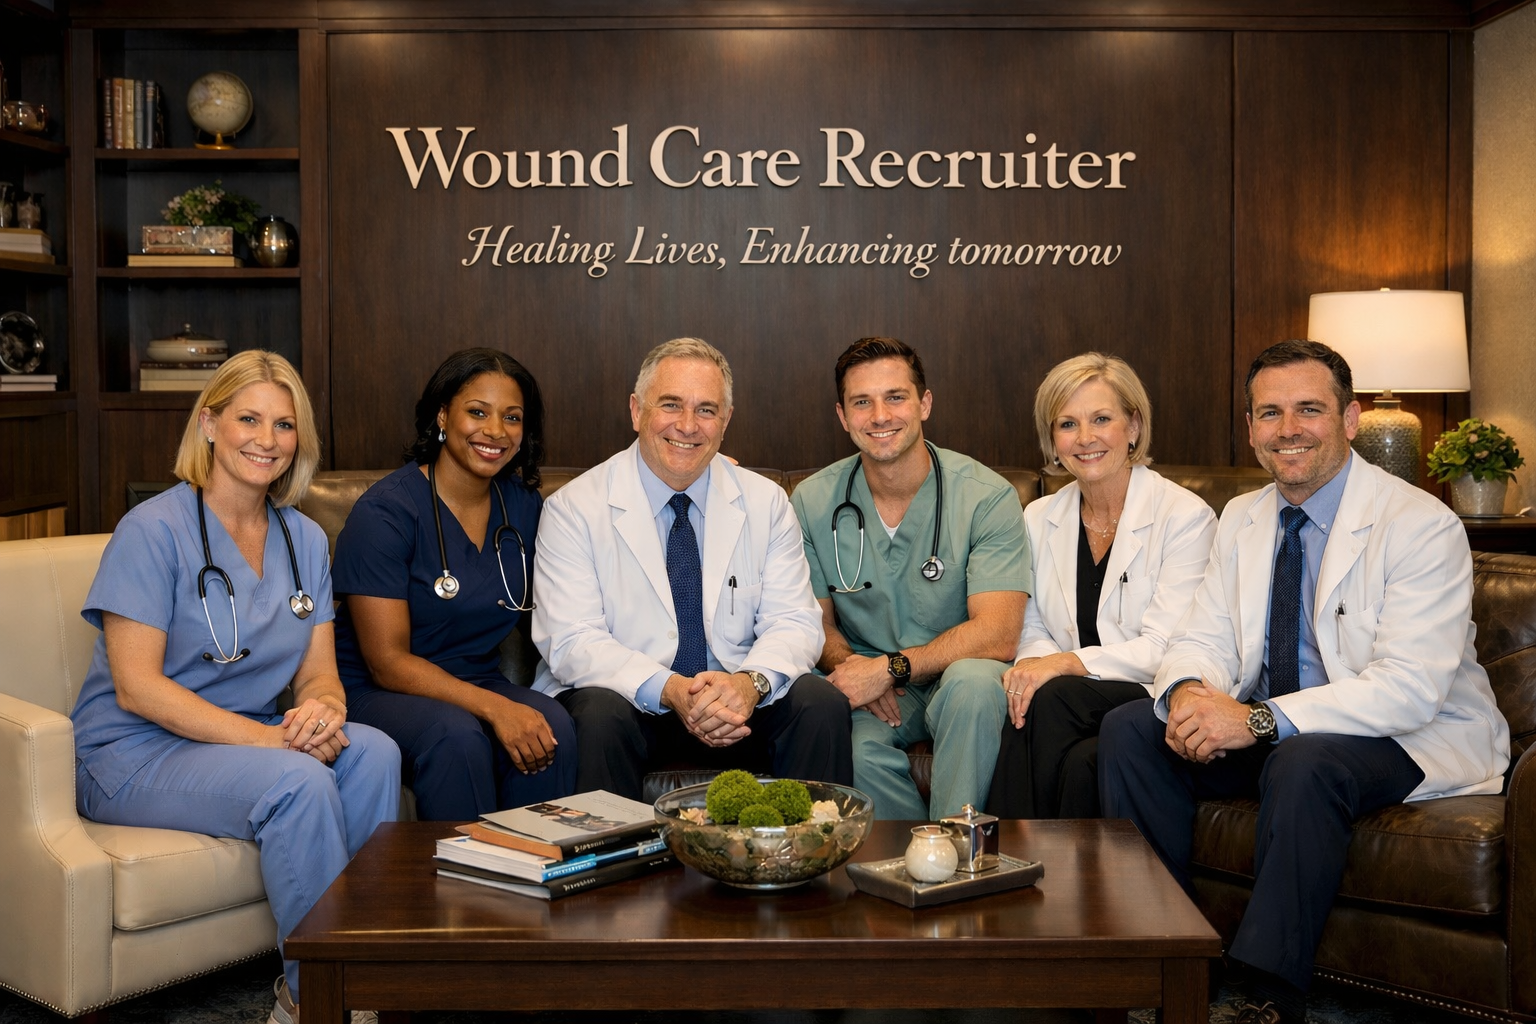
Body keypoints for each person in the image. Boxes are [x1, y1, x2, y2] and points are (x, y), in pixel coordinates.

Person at [1098, 340, 1510, 1024]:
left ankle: (1267, 993)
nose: (1288, 428)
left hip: (1411, 734)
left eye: (1309, 410)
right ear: (1252, 428)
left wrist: (1255, 720)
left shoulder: (1419, 525)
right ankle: (1160, 965)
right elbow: (1204, 635)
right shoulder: (1243, 516)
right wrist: (1193, 693)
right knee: (1131, 730)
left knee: (1305, 758)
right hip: (1284, 725)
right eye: (1270, 413)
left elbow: (1410, 688)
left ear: (1349, 420)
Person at [67, 350, 401, 1024]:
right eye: (248, 418)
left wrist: (322, 713)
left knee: (373, 752)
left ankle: (368, 970)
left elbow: (317, 672)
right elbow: (137, 689)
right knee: (298, 782)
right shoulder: (152, 531)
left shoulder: (304, 537)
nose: (266, 440)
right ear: (210, 424)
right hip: (129, 754)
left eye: (284, 425)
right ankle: (315, 998)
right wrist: (276, 741)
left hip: (245, 745)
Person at [531, 337, 852, 798]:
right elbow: (571, 640)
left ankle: (804, 865)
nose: (687, 425)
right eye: (670, 405)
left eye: (706, 409)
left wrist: (750, 683)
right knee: (598, 714)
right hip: (630, 699)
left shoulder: (765, 502)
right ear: (636, 411)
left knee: (819, 703)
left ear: (726, 421)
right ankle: (615, 866)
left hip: (739, 699)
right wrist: (671, 689)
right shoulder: (574, 508)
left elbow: (795, 622)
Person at [791, 337, 1030, 820]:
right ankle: (908, 864)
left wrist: (891, 666)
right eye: (862, 402)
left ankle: (956, 853)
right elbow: (809, 623)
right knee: (848, 745)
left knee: (976, 685)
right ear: (843, 416)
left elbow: (999, 633)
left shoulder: (987, 497)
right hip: (877, 688)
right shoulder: (813, 501)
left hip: (955, 674)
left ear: (924, 403)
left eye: (895, 397)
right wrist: (860, 667)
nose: (880, 415)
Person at [333, 348, 577, 820]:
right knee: (456, 736)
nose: (495, 431)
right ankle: (463, 891)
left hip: (474, 679)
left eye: (512, 417)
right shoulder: (385, 513)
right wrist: (493, 708)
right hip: (377, 691)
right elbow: (386, 662)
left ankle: (534, 877)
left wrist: (693, 475)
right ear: (443, 415)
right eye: (478, 412)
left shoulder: (522, 506)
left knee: (554, 726)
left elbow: (595, 535)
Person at [987, 353, 1216, 818]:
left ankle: (996, 853)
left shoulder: (1185, 518)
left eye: (1101, 419)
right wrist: (1035, 667)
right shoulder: (1038, 517)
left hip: (1152, 690)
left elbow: (1164, 646)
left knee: (1050, 696)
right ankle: (1052, 878)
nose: (1085, 438)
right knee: (1077, 762)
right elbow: (1031, 628)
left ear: (1133, 426)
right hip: (1074, 705)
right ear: (1053, 438)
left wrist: (1064, 664)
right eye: (1067, 424)